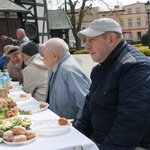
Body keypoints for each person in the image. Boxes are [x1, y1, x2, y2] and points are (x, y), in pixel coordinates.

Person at [75, 18, 150, 150]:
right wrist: (76, 138)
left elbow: (130, 123)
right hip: (100, 141)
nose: (86, 46)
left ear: (111, 39)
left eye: (91, 39)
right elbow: (88, 107)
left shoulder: (135, 67)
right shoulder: (100, 68)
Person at [43, 38, 90, 124]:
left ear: (54, 55)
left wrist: (78, 129)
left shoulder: (68, 70)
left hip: (70, 129)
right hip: (57, 125)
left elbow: (85, 105)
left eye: (44, 56)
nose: (43, 59)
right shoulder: (54, 68)